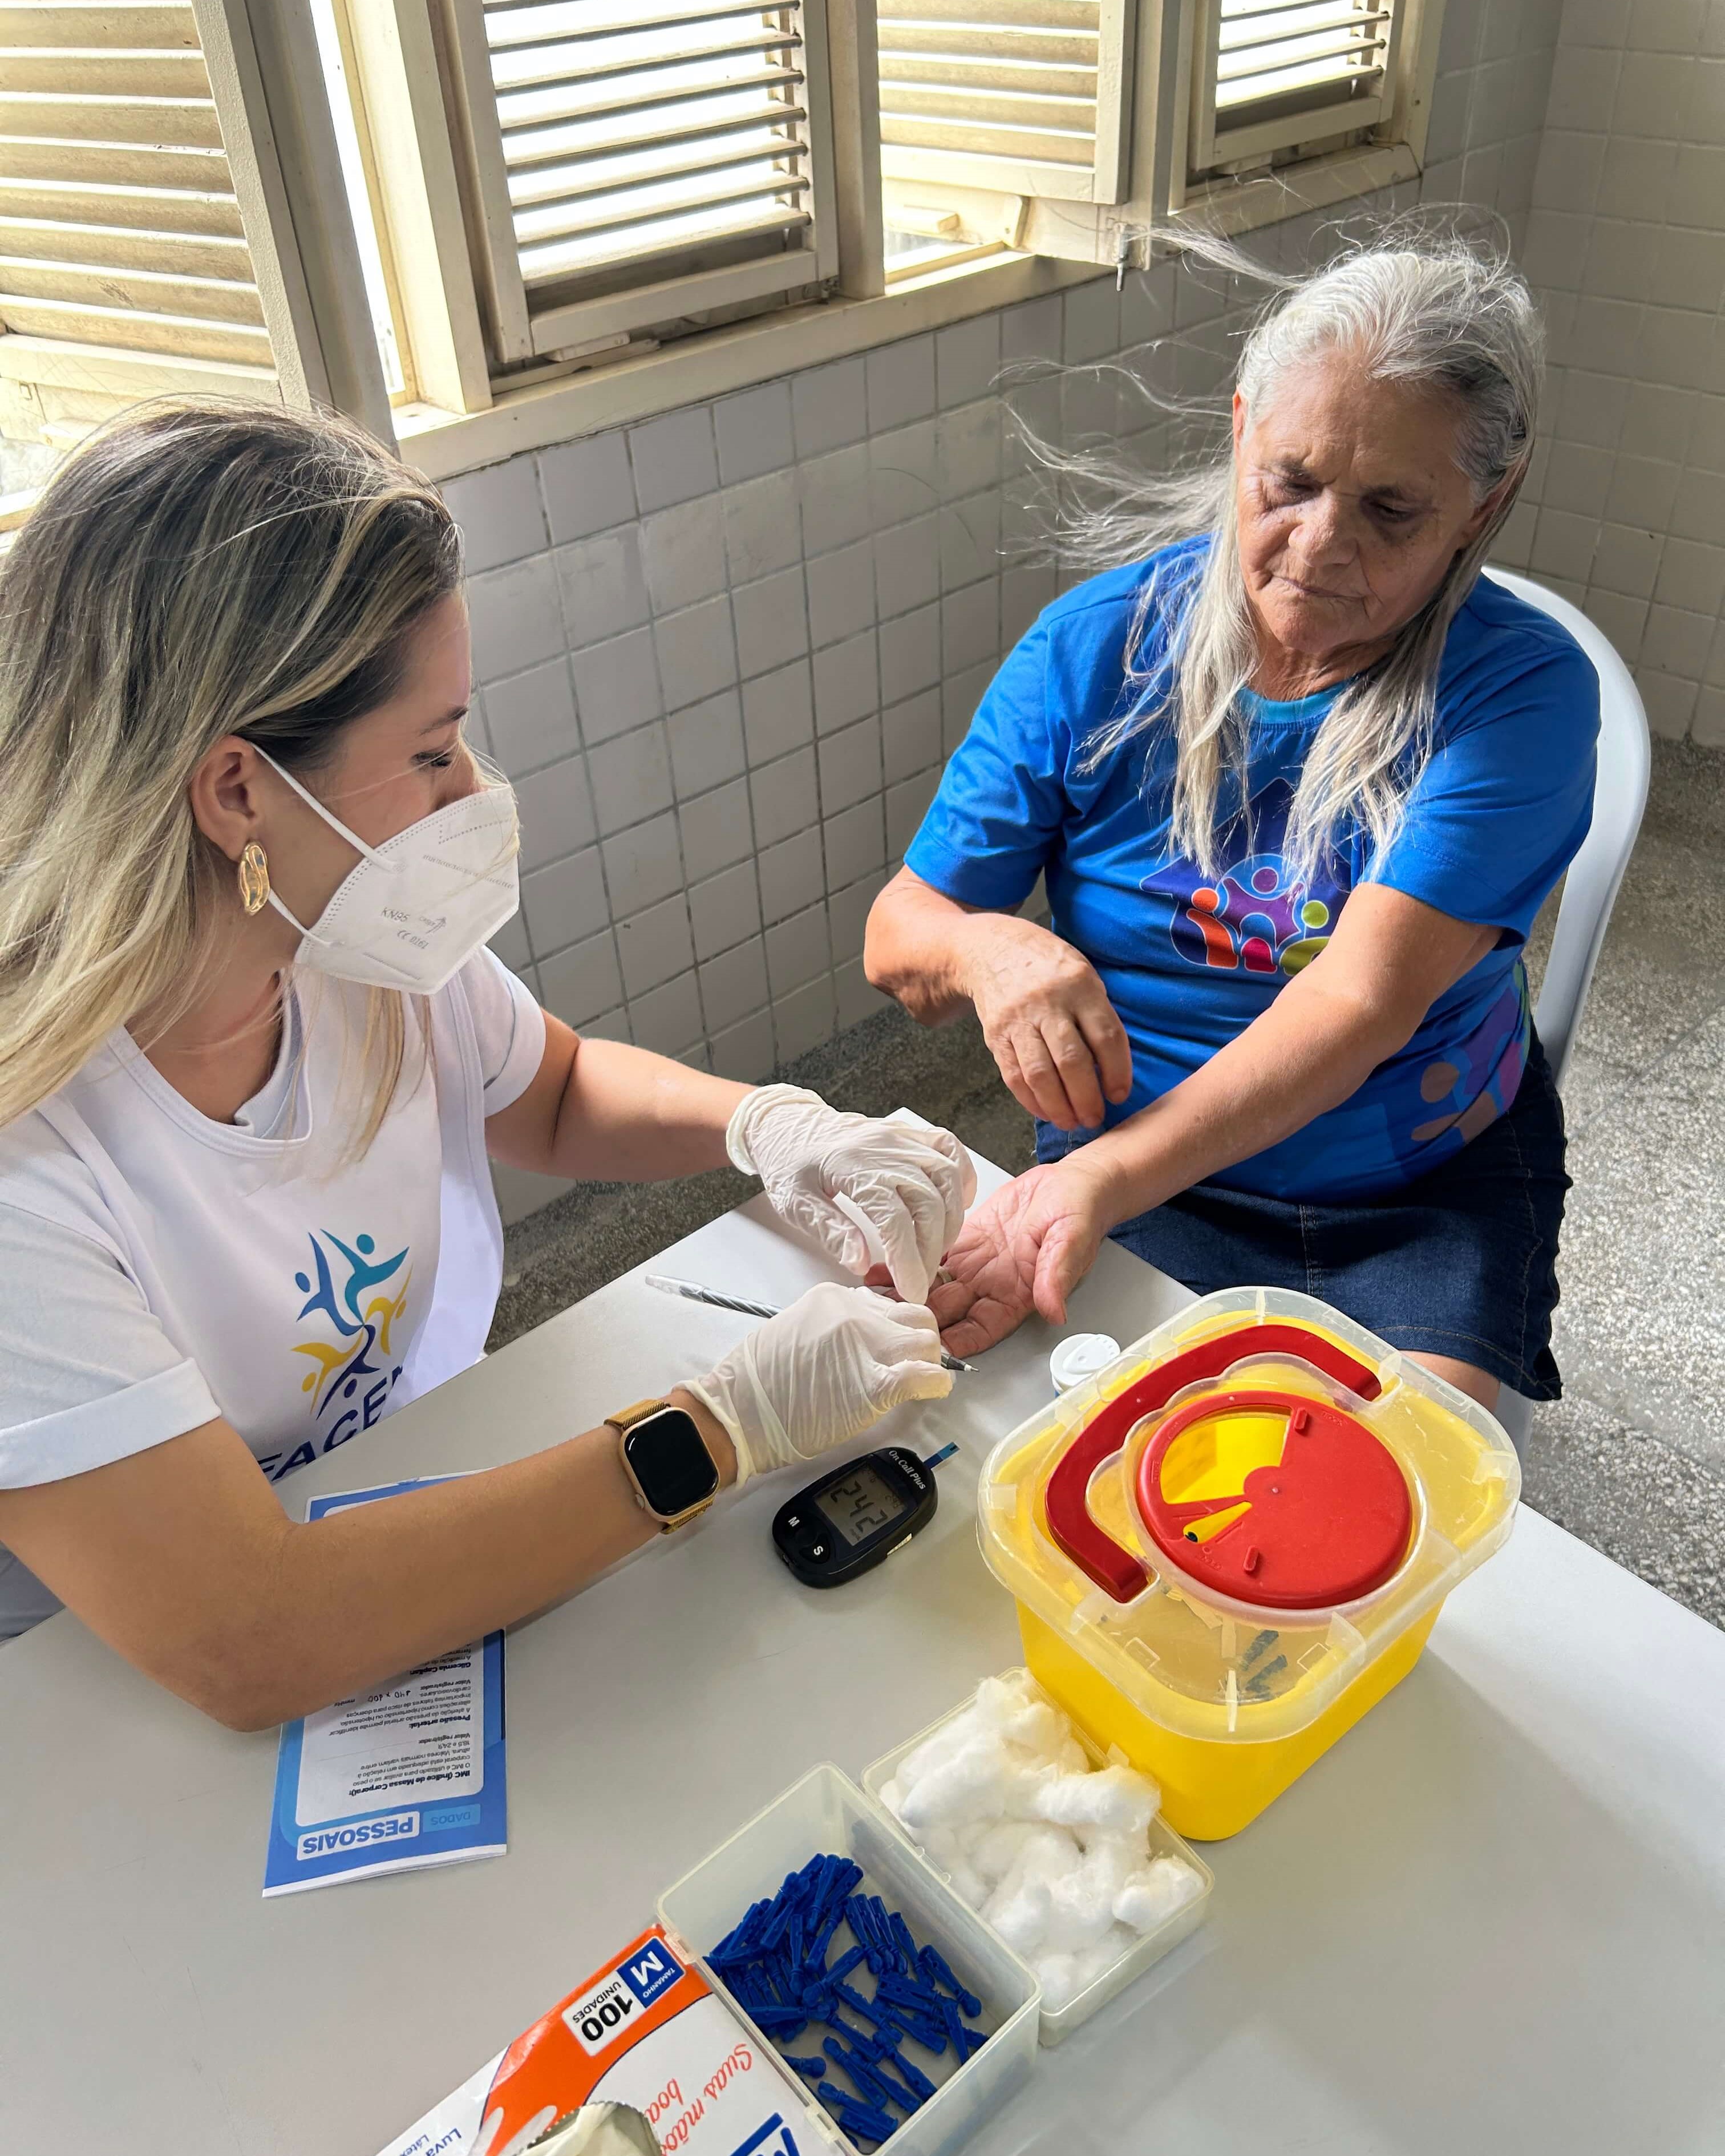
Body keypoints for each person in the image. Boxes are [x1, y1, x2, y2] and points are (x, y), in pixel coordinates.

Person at [0, 403, 975, 1726]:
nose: (469, 795)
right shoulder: (29, 1162)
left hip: (397, 1494)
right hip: (106, 1702)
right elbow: (251, 1637)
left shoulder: (340, 939)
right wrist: (717, 1430)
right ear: (237, 792)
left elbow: (555, 1094)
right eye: (428, 752)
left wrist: (773, 1127)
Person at [865, 232, 1598, 1413]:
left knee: (1397, 1474)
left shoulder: (1522, 693)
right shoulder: (1094, 650)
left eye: (1391, 511)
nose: (1320, 548)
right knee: (1098, 1461)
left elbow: (1356, 1006)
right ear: (1243, 428)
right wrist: (985, 948)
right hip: (1149, 1170)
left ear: (1486, 504)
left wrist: (1097, 1180)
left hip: (1417, 1186)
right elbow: (901, 932)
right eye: (1290, 483)